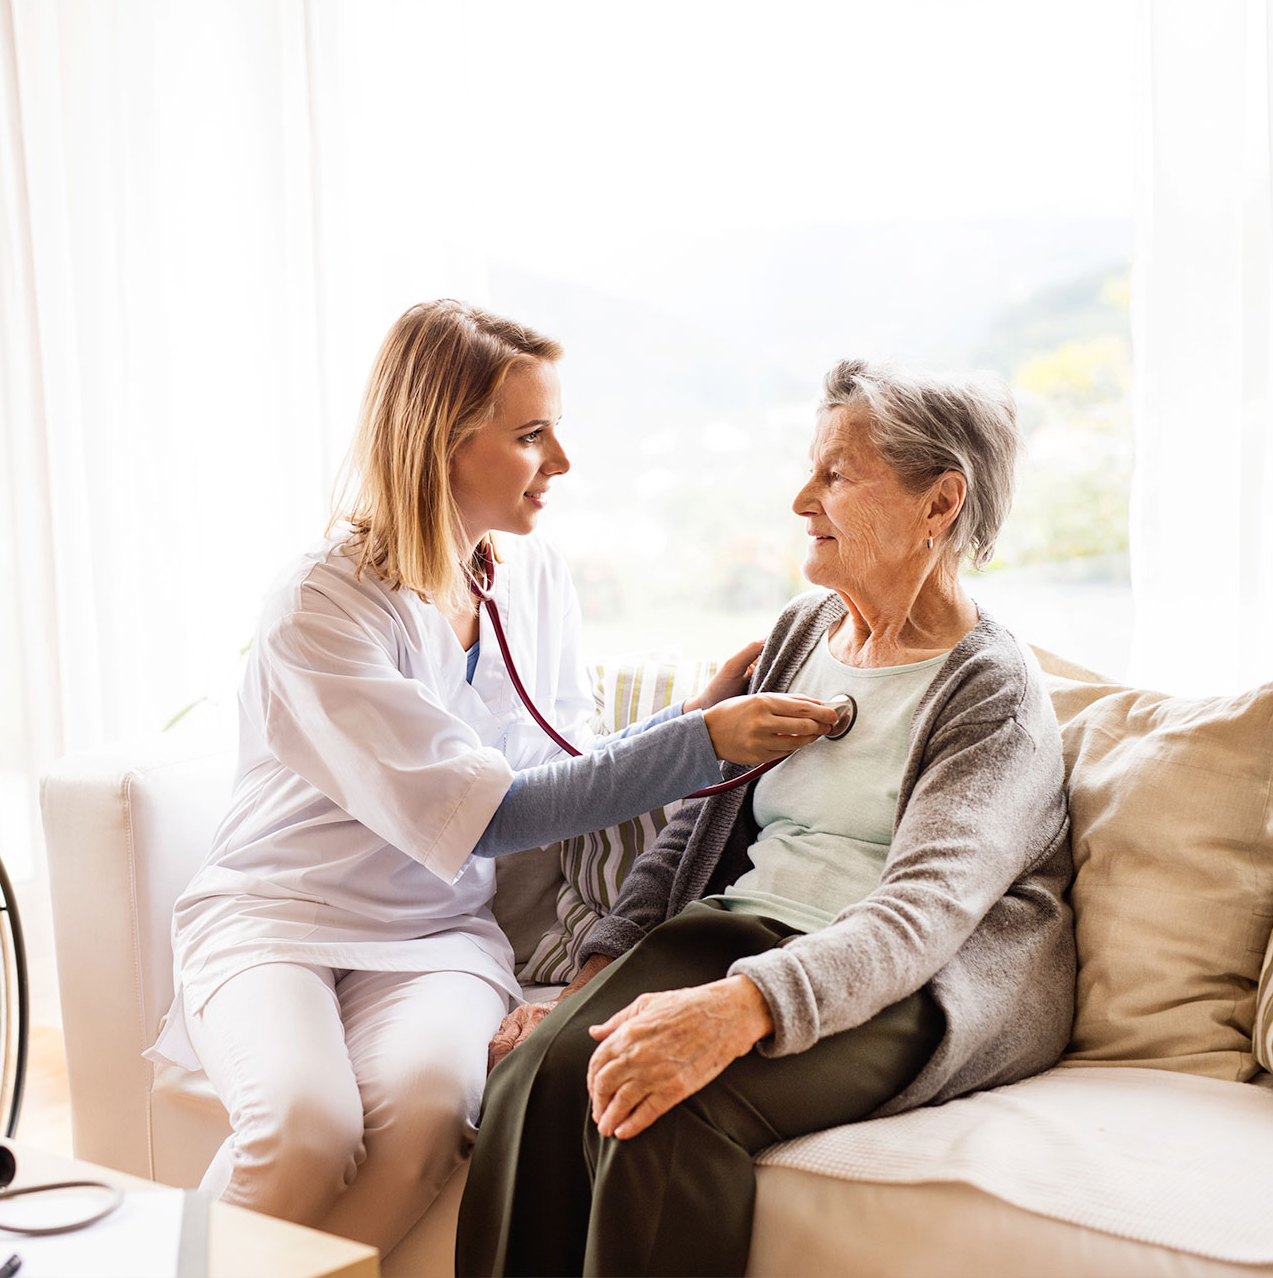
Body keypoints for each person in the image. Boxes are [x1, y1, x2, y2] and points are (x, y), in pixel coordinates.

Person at [152, 300, 839, 1254]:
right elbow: (490, 816)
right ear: (438, 442)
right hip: (281, 919)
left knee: (430, 1118)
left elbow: (564, 763)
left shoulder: (530, 577)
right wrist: (704, 742)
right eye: (530, 435)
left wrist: (688, 721)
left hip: (434, 932)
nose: (561, 461)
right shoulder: (322, 606)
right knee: (305, 1130)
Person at [459, 359, 1078, 1277]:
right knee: (537, 1077)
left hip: (908, 984)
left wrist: (740, 1009)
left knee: (657, 1106)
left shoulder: (991, 692)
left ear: (940, 503)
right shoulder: (801, 633)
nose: (802, 499)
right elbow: (694, 835)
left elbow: (922, 918)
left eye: (836, 474)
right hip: (746, 932)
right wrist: (590, 979)